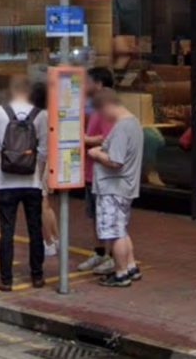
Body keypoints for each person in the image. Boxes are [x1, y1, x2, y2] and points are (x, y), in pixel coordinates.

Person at [0, 76, 48, 292]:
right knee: (35, 229)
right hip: (32, 183)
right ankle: (37, 276)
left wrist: (9, 155)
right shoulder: (41, 115)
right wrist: (31, 162)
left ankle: (6, 280)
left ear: (12, 91)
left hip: (5, 183)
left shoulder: (0, 112)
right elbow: (45, 150)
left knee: (7, 232)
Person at [87, 89, 143, 287]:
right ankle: (130, 267)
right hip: (126, 186)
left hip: (113, 186)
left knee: (115, 232)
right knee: (122, 229)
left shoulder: (121, 128)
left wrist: (95, 154)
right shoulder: (134, 123)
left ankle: (120, 273)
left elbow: (115, 161)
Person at [77, 67, 116, 275]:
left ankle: (111, 256)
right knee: (94, 215)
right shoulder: (94, 106)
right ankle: (100, 253)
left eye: (88, 82)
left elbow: (107, 138)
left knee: (105, 215)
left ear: (99, 84)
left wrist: (84, 139)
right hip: (92, 171)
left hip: (103, 172)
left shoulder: (108, 106)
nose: (84, 86)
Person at [30, 82, 59, 257]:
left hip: (42, 163)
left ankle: (48, 241)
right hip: (51, 161)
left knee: (41, 204)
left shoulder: (39, 116)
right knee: (46, 204)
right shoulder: (51, 115)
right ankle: (55, 238)